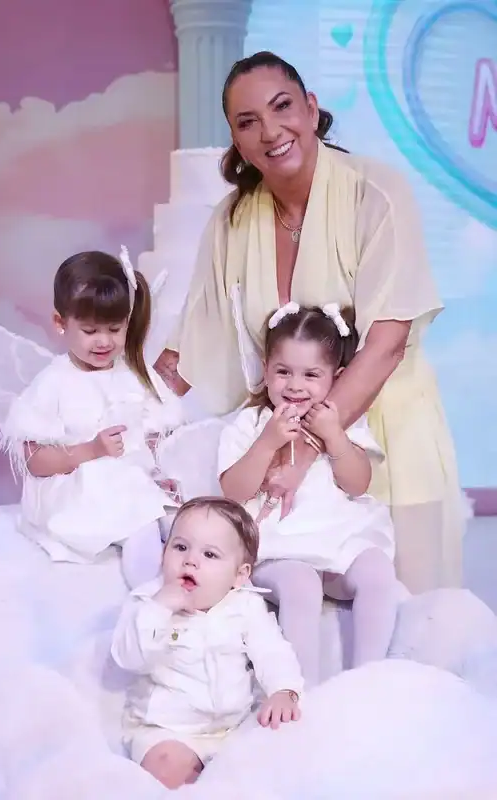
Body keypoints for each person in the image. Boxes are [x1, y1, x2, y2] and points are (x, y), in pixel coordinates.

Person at [155, 50, 462, 595]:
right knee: (290, 610)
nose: (271, 131)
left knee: (401, 610)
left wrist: (303, 450)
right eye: (248, 121)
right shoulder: (232, 220)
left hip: (384, 440)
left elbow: (386, 345)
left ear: (312, 108)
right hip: (278, 451)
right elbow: (189, 345)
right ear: (237, 140)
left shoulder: (375, 193)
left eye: (283, 107)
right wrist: (116, 407)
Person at [218, 302, 400, 686]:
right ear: (266, 369)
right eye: (283, 372)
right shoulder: (251, 423)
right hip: (276, 547)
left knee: (377, 570)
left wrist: (334, 436)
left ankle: (368, 678)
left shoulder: (342, 422)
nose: (295, 385)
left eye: (311, 375)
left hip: (336, 539)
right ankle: (302, 689)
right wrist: (266, 444)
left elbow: (358, 483)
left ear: (337, 377)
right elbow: (233, 492)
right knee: (301, 583)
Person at [2, 249, 183, 588]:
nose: (104, 341)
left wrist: (159, 471)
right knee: (138, 518)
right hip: (82, 482)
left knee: (183, 517)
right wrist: (92, 450)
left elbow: (152, 438)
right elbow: (35, 461)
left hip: (132, 477)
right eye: (90, 330)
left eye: (114, 329)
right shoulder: (55, 382)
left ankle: (201, 579)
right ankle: (150, 591)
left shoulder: (133, 374)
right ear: (61, 323)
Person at [111, 496, 304, 789]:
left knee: (276, 759)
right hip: (168, 729)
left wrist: (284, 690)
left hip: (234, 725)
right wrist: (160, 609)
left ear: (239, 575)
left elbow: (272, 652)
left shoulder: (245, 606)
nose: (190, 560)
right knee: (166, 768)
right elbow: (130, 658)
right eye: (180, 547)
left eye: (210, 554)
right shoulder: (147, 602)